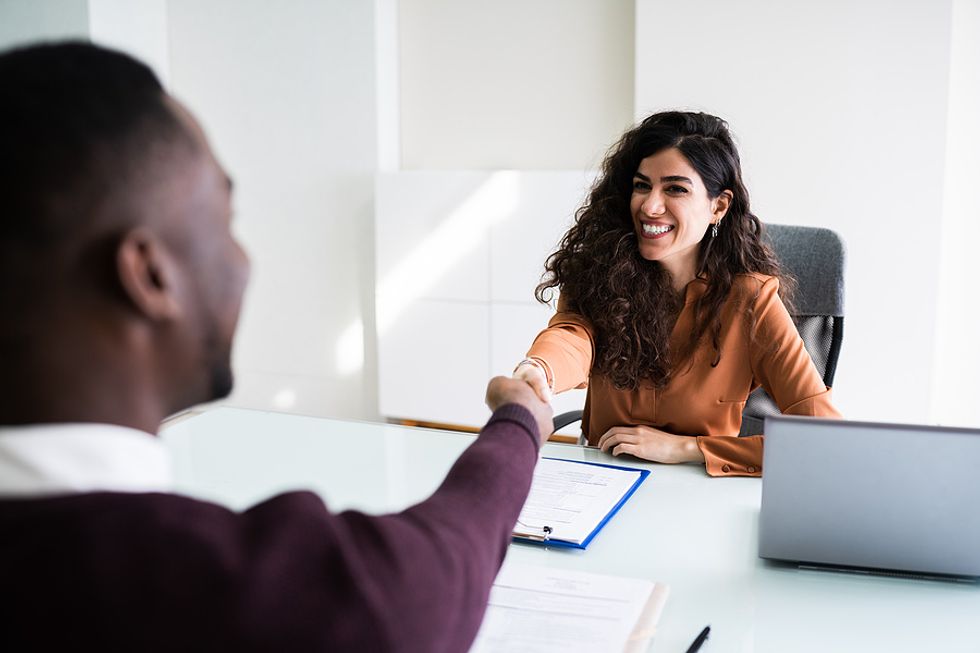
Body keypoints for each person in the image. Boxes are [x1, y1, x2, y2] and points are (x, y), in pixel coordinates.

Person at [0, 41, 553, 651]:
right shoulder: (196, 588)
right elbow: (422, 588)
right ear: (152, 275)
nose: (243, 260)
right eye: (224, 223)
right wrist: (520, 421)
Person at [513, 111, 840, 477]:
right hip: (600, 481)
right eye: (641, 185)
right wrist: (538, 370)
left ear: (718, 206)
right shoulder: (599, 274)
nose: (650, 206)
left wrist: (688, 448)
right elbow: (572, 337)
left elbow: (824, 439)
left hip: (698, 490)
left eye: (675, 188)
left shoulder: (752, 301)